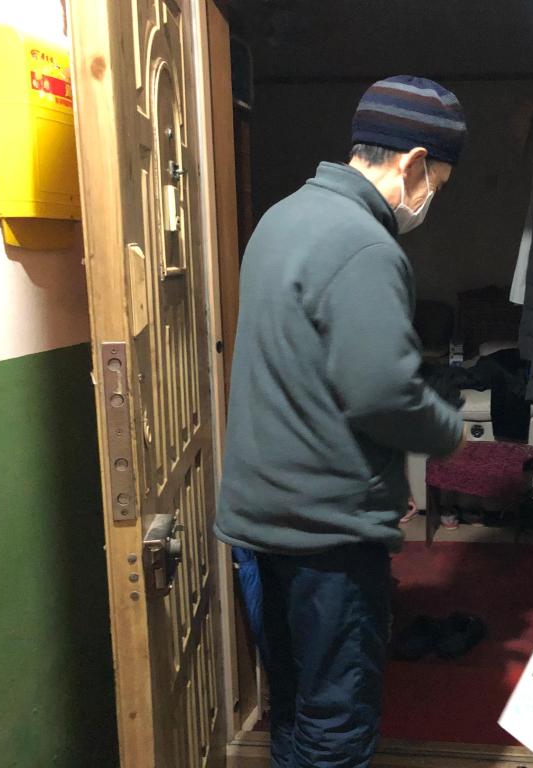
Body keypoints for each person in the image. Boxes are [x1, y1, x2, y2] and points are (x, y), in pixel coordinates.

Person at [215, 76, 467, 768]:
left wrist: (385, 482)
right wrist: (449, 434)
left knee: (293, 702)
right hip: (325, 537)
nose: (431, 199)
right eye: (438, 183)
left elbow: (310, 380)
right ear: (413, 163)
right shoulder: (366, 246)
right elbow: (383, 395)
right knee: (337, 723)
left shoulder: (282, 216)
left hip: (259, 520)